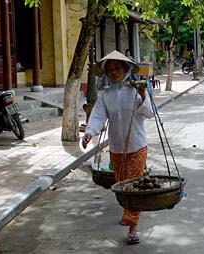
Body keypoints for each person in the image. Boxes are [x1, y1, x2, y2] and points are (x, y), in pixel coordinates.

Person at [82, 50, 154, 244]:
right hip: (116, 148)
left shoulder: (136, 90)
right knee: (122, 185)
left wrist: (143, 94)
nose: (114, 72)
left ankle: (133, 227)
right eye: (111, 69)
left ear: (126, 69)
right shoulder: (106, 95)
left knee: (132, 186)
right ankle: (128, 212)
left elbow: (149, 113)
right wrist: (90, 132)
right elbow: (98, 116)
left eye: (117, 68)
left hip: (137, 146)